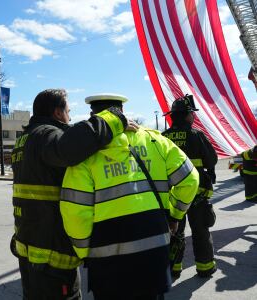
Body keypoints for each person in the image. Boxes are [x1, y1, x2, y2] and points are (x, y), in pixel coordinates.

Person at [60, 93, 199, 300]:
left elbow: (75, 212)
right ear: (122, 112)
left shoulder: (85, 155)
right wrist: (175, 216)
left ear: (94, 115)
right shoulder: (154, 140)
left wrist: (84, 253)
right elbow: (190, 179)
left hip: (107, 262)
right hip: (154, 255)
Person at [11, 89, 134, 300]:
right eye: (68, 111)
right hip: (51, 252)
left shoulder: (25, 139)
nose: (69, 115)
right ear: (58, 113)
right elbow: (68, 148)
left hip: (30, 243)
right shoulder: (45, 135)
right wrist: (114, 119)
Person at [162, 94, 218, 278]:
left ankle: (174, 268)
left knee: (174, 231)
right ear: (187, 115)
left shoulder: (163, 138)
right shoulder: (196, 135)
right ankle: (205, 267)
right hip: (197, 193)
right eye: (192, 114)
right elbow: (212, 159)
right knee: (200, 230)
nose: (194, 117)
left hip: (172, 195)